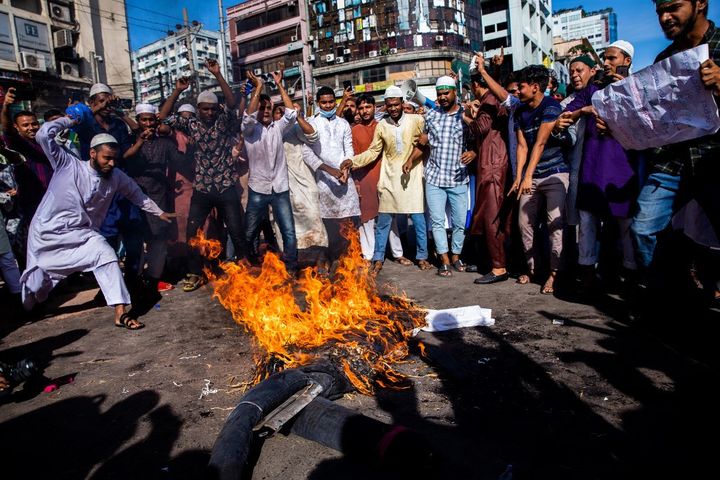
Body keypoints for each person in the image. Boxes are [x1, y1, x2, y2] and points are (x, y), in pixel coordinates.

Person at [20, 116, 174, 329]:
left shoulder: (116, 176)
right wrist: (68, 120)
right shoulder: (68, 164)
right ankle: (28, 306)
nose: (111, 163)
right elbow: (44, 134)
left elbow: (137, 195)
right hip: (47, 233)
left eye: (114, 159)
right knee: (36, 286)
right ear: (92, 154)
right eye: (106, 158)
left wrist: (159, 213)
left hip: (83, 233)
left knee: (107, 256)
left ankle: (121, 311)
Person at [629, 0, 720, 282]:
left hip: (714, 160)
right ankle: (671, 299)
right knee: (643, 229)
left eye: (673, 7)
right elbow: (658, 118)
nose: (665, 17)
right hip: (672, 164)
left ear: (700, 3)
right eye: (659, 12)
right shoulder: (664, 60)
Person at [159, 59, 246, 292]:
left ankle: (246, 271)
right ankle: (195, 273)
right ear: (197, 109)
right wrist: (177, 91)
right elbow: (162, 118)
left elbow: (231, 101)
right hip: (203, 189)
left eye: (212, 108)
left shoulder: (224, 121)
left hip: (226, 186)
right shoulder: (191, 124)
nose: (209, 112)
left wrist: (218, 74)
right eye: (204, 108)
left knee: (237, 233)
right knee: (192, 235)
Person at [561, 45, 639, 290]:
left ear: (626, 60)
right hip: (592, 165)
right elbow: (565, 114)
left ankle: (630, 275)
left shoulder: (638, 86)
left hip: (622, 166)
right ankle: (586, 274)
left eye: (611, 58)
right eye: (604, 58)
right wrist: (581, 111)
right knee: (587, 221)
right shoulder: (593, 89)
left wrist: (627, 90)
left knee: (625, 223)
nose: (606, 62)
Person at [343, 87, 431, 274]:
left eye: (396, 104)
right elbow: (374, 151)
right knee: (384, 220)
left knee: (418, 219)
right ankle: (378, 258)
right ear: (386, 106)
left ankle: (422, 257)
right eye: (389, 105)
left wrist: (427, 137)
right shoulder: (383, 126)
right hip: (390, 176)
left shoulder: (416, 120)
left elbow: (433, 133)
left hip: (412, 176)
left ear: (402, 103)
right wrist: (354, 161)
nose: (393, 108)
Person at [512, 65, 574, 294]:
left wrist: (527, 175)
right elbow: (522, 146)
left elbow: (539, 143)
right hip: (531, 176)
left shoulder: (551, 106)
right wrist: (519, 178)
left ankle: (554, 274)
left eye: (521, 87)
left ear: (535, 87)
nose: (517, 91)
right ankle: (533, 269)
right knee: (523, 222)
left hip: (555, 172)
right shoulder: (519, 110)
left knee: (554, 224)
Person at [415, 76, 476, 277]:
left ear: (454, 93)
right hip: (434, 178)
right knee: (437, 222)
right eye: (439, 94)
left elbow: (478, 138)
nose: (441, 97)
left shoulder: (466, 116)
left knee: (459, 222)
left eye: (445, 93)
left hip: (458, 178)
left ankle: (457, 256)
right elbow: (424, 141)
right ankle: (444, 260)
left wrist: (473, 152)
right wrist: (421, 143)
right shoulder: (431, 115)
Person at [242, 70, 301, 273]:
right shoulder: (250, 129)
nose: (266, 111)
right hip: (258, 189)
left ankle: (291, 267)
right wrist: (258, 87)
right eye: (262, 108)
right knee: (249, 233)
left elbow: (291, 112)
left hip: (280, 188)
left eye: (269, 108)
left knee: (288, 231)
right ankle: (249, 264)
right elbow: (248, 116)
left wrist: (279, 84)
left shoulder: (278, 127)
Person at [124, 103, 182, 292]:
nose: (147, 123)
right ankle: (134, 280)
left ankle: (154, 279)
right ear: (138, 121)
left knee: (158, 239)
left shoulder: (164, 142)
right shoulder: (130, 139)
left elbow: (180, 160)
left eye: (151, 119)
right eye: (144, 120)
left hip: (159, 194)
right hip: (135, 195)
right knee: (136, 242)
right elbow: (124, 158)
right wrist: (140, 141)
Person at [302, 86, 360, 272]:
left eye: (330, 102)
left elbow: (348, 148)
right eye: (324, 103)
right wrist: (328, 170)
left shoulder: (343, 123)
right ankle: (325, 260)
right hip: (323, 182)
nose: (328, 106)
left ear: (335, 102)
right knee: (327, 227)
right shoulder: (312, 123)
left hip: (344, 180)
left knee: (347, 224)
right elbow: (307, 153)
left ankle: (344, 262)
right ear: (318, 103)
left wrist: (346, 167)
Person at [349, 94, 407, 264]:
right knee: (366, 219)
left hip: (385, 176)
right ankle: (369, 254)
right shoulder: (354, 131)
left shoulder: (385, 126)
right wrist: (356, 182)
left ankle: (397, 253)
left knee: (390, 215)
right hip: (364, 178)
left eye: (368, 107)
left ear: (375, 108)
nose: (365, 111)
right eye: (361, 108)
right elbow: (353, 157)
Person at [464, 72, 511, 284]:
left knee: (492, 218)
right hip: (493, 164)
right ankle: (492, 261)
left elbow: (480, 128)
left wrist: (467, 118)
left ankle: (499, 267)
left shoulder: (489, 100)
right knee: (485, 217)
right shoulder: (494, 99)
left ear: (475, 85)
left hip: (493, 166)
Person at [1, 88, 54, 265]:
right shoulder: (19, 144)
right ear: (18, 128)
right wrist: (6, 106)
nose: (31, 127)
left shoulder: (46, 143)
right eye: (25, 125)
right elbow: (7, 129)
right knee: (37, 245)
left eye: (33, 123)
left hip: (53, 202)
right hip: (32, 204)